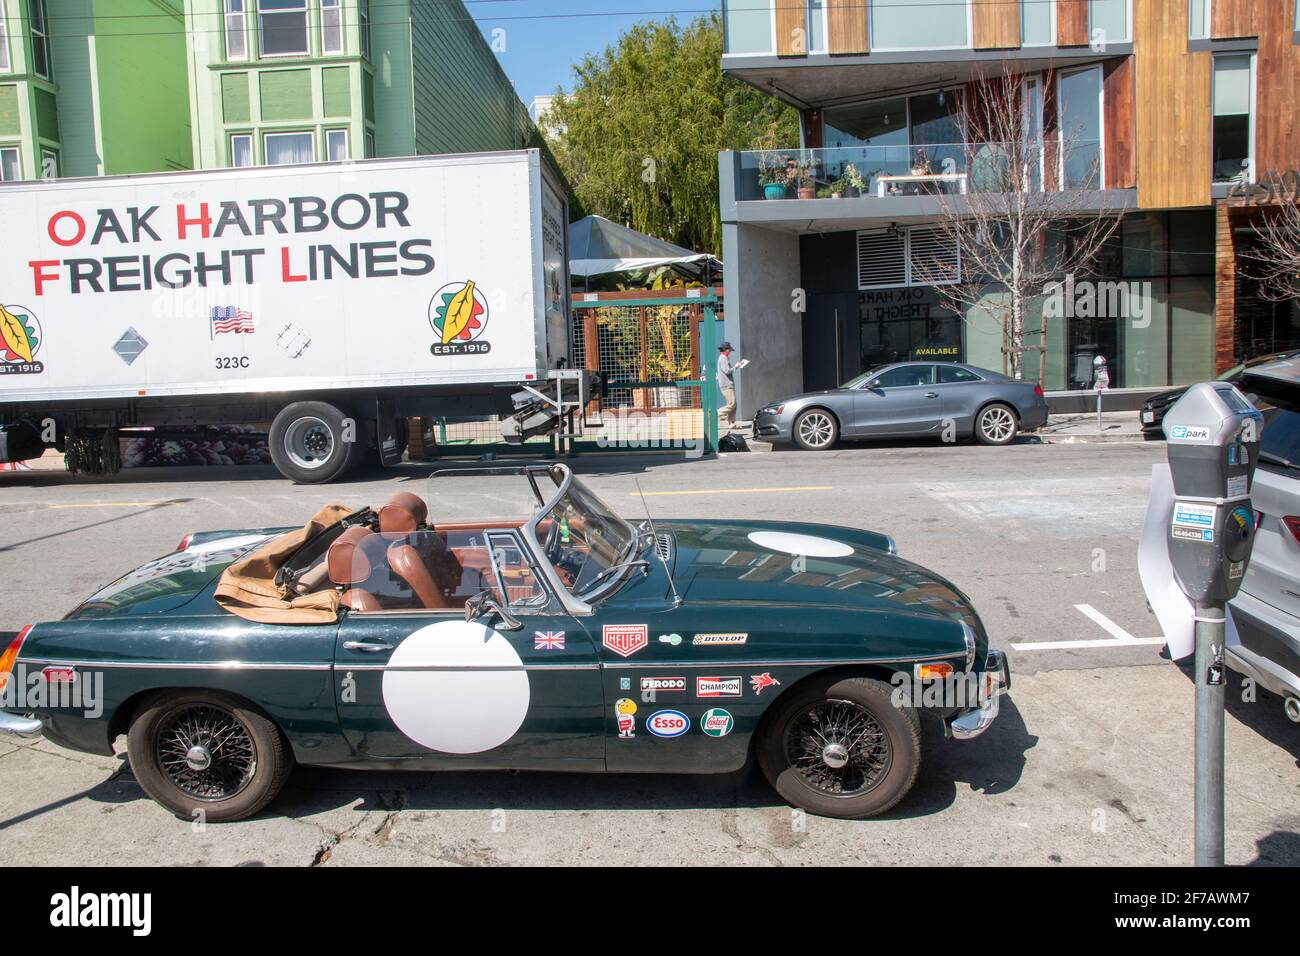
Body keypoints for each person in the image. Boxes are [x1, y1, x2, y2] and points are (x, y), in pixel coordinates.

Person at [717, 341, 740, 429]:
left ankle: (731, 423)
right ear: (726, 350)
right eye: (729, 350)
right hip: (727, 385)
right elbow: (727, 371)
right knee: (732, 405)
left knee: (734, 405)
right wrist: (736, 366)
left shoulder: (722, 358)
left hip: (727, 385)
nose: (730, 351)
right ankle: (716, 414)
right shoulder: (723, 358)